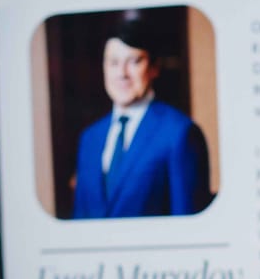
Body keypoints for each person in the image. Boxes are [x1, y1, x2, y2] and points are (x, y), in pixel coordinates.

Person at [70, 18, 211, 219]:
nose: (122, 74)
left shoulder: (179, 134)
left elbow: (187, 224)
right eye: (113, 63)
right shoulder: (89, 138)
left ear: (154, 68)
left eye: (134, 61)